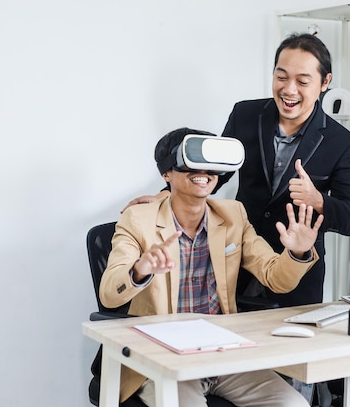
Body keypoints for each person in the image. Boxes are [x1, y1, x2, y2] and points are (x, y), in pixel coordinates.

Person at [123, 33, 350, 308]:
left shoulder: (342, 143)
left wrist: (318, 201)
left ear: (325, 83)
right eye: (282, 76)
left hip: (295, 272)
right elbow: (214, 171)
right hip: (235, 260)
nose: (289, 89)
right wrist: (168, 194)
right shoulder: (246, 115)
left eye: (302, 81)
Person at [101, 127, 323, 407]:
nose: (202, 171)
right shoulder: (138, 220)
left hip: (223, 353)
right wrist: (139, 270)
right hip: (163, 358)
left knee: (294, 404)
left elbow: (275, 277)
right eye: (191, 162)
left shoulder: (233, 216)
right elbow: (109, 294)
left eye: (210, 165)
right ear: (166, 173)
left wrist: (298, 251)